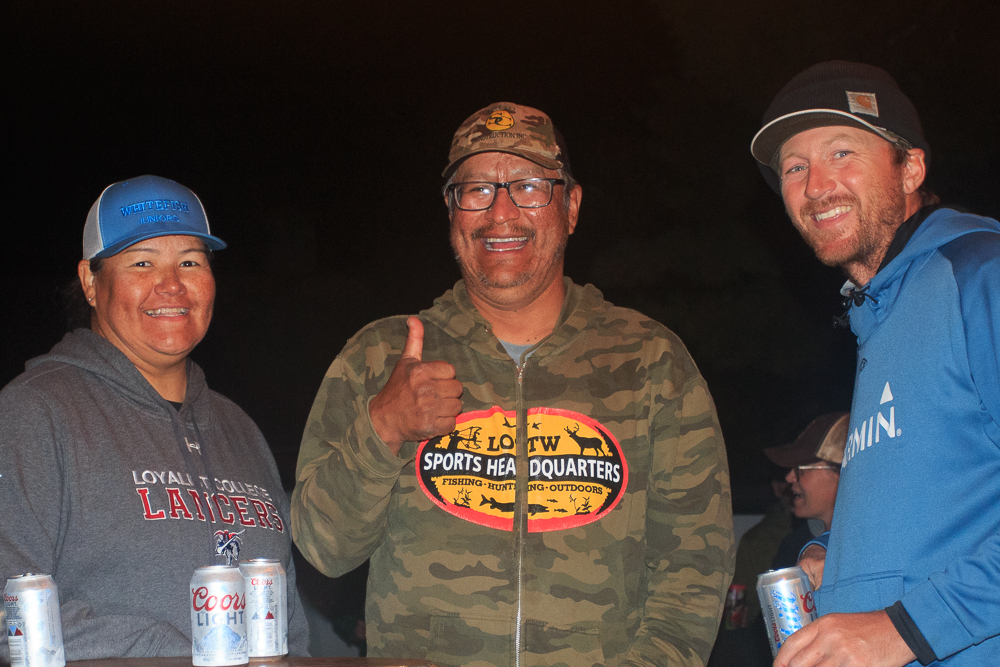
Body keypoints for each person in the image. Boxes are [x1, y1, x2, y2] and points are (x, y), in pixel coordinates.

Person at [292, 102, 734, 667]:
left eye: (528, 187)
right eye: (476, 190)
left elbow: (694, 573)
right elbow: (323, 549)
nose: (500, 213)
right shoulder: (381, 356)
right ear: (451, 211)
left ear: (571, 207)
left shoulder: (650, 361)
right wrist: (382, 428)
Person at [751, 60, 1000, 666]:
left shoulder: (980, 274)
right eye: (795, 167)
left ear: (910, 168)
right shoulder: (878, 320)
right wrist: (836, 557)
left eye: (841, 153)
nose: (816, 186)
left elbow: (902, 625)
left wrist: (902, 631)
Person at [0, 175, 309, 660]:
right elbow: (10, 613)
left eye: (190, 262)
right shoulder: (32, 412)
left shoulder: (240, 430)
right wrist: (179, 654)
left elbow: (288, 626)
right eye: (142, 263)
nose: (171, 284)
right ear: (90, 282)